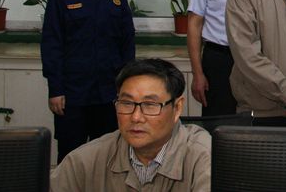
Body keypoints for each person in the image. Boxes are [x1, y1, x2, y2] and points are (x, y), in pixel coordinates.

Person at [41, 0, 136, 163]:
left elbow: (127, 41)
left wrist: (126, 86)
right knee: (71, 158)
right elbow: (52, 45)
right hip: (73, 94)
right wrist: (55, 89)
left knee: (110, 157)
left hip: (110, 93)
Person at [51, 58, 211, 192]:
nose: (136, 117)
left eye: (150, 105)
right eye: (127, 103)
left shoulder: (203, 157)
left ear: (177, 108)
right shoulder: (85, 160)